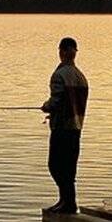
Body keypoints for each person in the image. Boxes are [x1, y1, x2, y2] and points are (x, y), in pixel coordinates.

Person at [41, 36, 89, 213]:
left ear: (61, 52)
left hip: (61, 127)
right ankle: (68, 201)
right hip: (76, 127)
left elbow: (56, 102)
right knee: (69, 167)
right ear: (74, 53)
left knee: (55, 165)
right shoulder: (80, 76)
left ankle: (66, 201)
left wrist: (46, 106)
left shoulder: (59, 75)